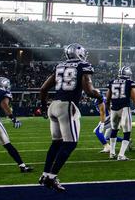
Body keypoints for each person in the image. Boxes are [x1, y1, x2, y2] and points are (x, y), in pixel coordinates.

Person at [40, 43, 102, 191]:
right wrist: (100, 97)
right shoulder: (83, 66)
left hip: (53, 105)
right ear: (79, 54)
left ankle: (45, 174)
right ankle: (52, 177)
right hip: (67, 106)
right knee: (70, 143)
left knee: (56, 143)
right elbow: (89, 90)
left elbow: (43, 89)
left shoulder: (60, 66)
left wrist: (43, 106)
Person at [106, 66, 135, 161]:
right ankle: (121, 155)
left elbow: (107, 98)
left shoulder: (112, 82)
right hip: (124, 109)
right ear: (128, 74)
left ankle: (112, 153)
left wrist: (109, 109)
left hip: (114, 109)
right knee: (127, 132)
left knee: (114, 130)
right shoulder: (130, 83)